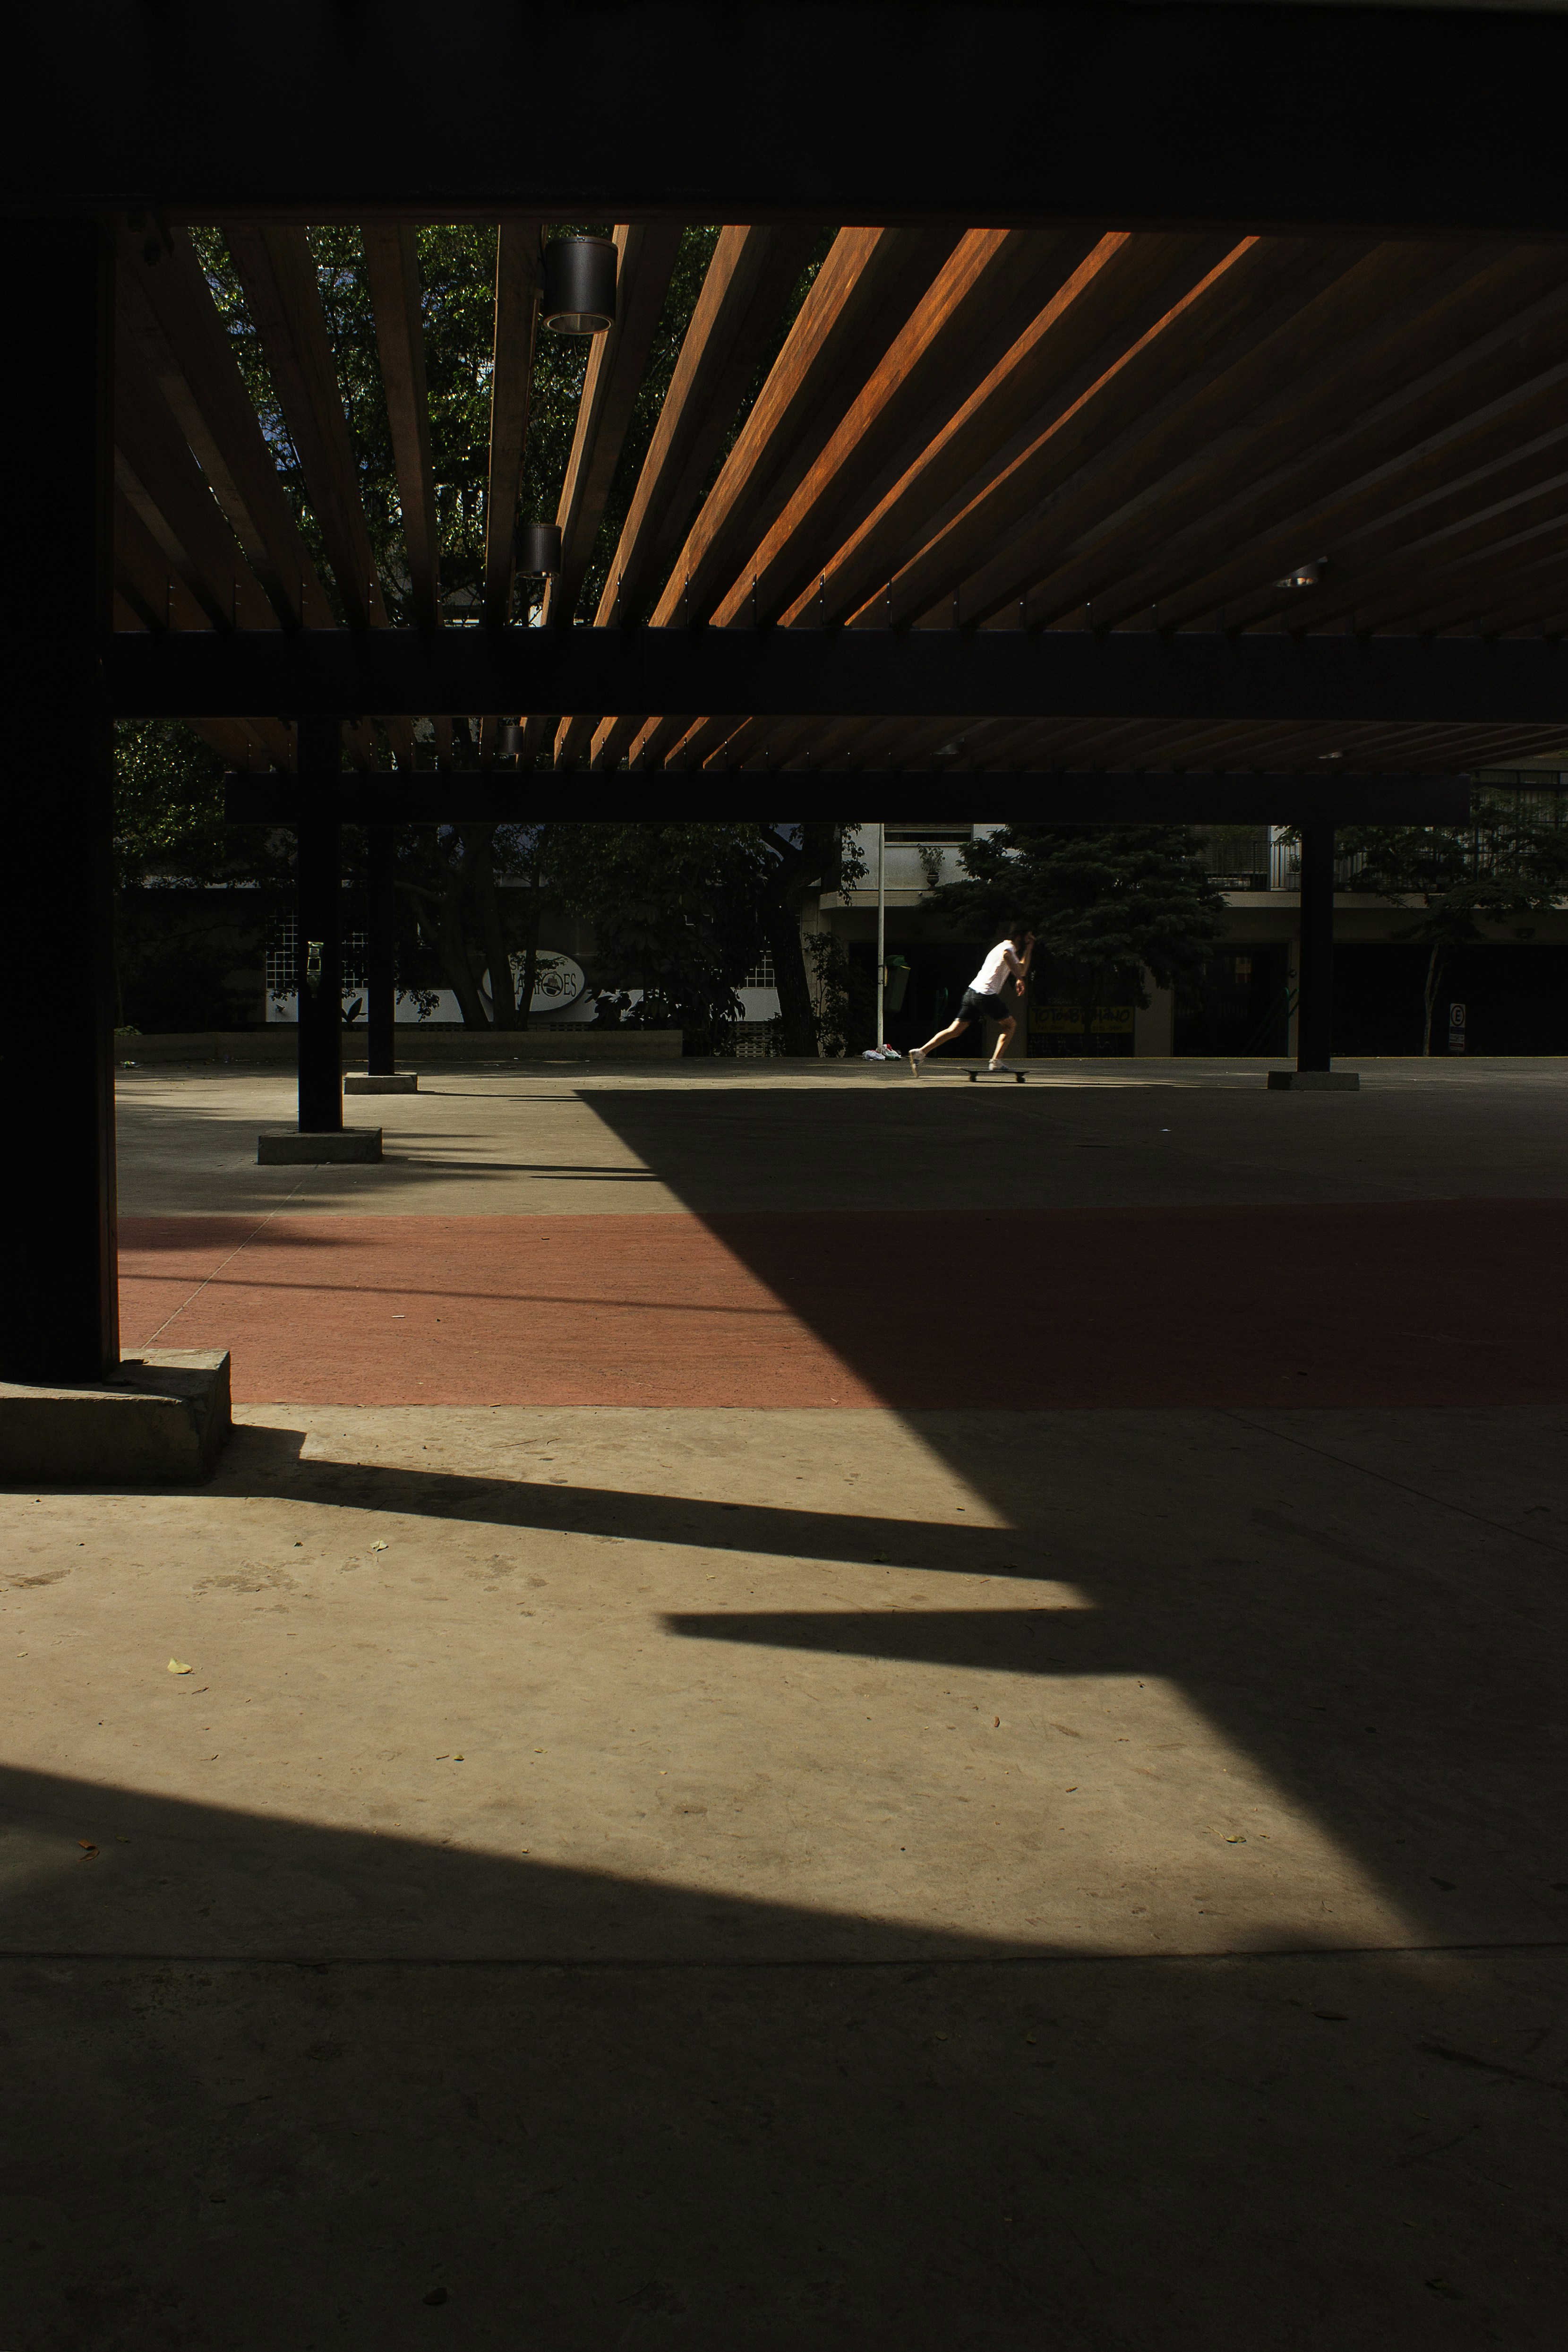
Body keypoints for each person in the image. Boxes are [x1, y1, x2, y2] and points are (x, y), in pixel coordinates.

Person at [908, 924, 1035, 1074]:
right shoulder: (1008, 948)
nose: (1030, 939)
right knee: (1011, 1025)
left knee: (955, 1030)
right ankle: (996, 1061)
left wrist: (1029, 948)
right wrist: (1019, 979)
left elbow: (1022, 969)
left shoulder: (1002, 948)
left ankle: (921, 1052)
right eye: (1029, 937)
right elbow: (1007, 956)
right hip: (986, 995)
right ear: (1020, 937)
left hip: (972, 993)